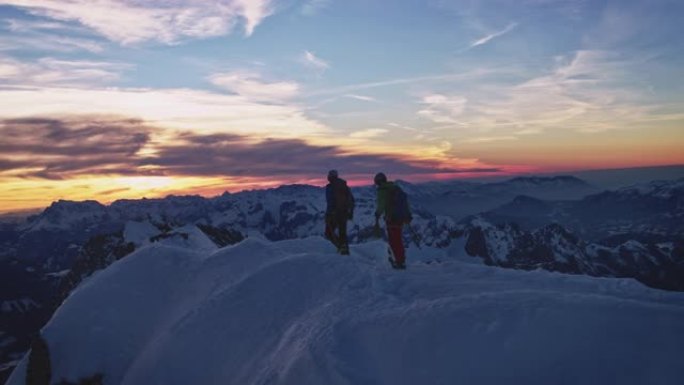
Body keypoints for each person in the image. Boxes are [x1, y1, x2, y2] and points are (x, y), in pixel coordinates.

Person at [374, 172, 411, 269]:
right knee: (398, 239)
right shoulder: (395, 187)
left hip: (391, 218)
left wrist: (378, 213)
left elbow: (381, 204)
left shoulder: (383, 190)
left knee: (393, 240)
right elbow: (405, 203)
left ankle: (399, 262)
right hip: (400, 218)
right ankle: (401, 260)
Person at [325, 170, 354, 255]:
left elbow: (330, 202)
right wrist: (350, 212)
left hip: (334, 213)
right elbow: (351, 200)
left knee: (328, 233)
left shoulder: (330, 187)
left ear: (330, 177)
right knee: (342, 232)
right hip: (344, 213)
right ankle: (344, 248)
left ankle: (339, 247)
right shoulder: (345, 186)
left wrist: (328, 214)